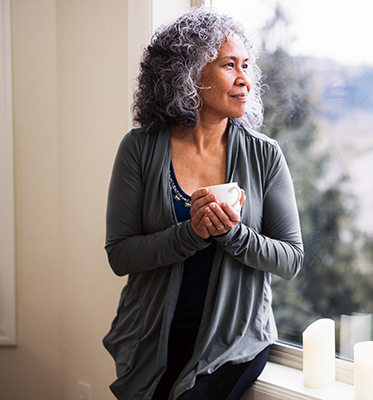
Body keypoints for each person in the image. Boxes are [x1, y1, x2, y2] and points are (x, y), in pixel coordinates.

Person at [103, 7, 304, 400]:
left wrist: (233, 234)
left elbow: (291, 258)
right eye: (230, 65)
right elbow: (120, 255)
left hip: (233, 344)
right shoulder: (139, 149)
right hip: (150, 341)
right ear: (189, 75)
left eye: (247, 65)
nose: (245, 80)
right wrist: (190, 233)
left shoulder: (265, 155)